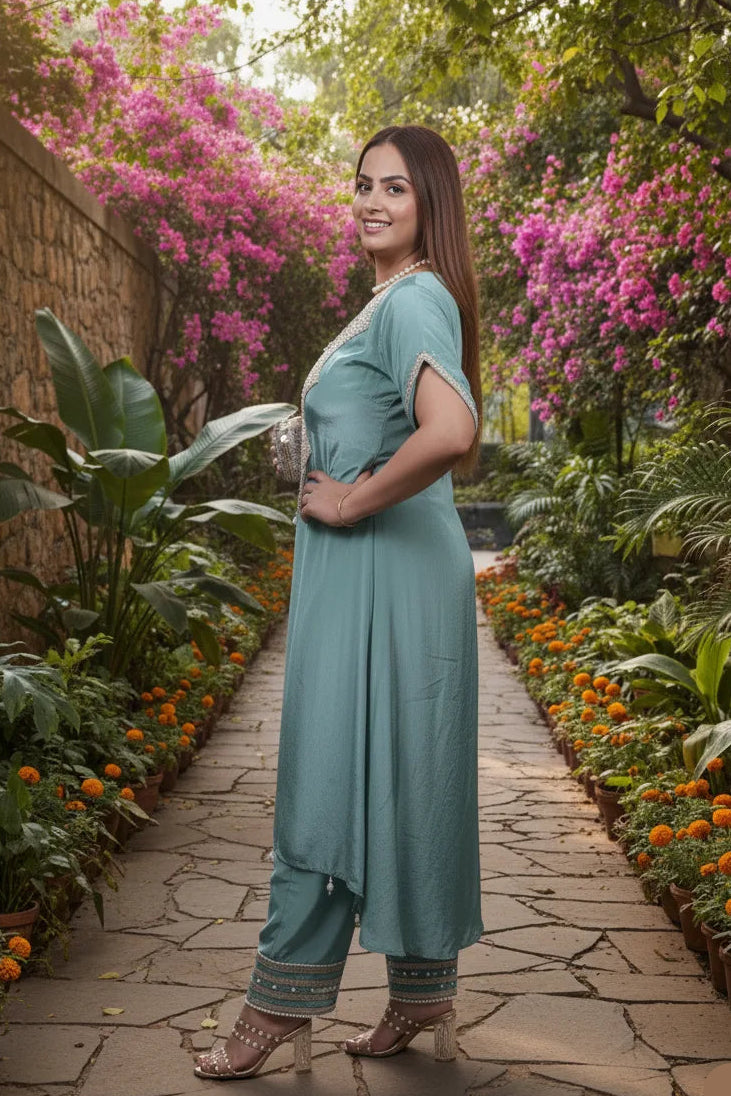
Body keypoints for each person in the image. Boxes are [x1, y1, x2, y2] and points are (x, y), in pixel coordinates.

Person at [194, 123, 484, 1082]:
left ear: (427, 203)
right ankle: (420, 990)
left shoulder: (414, 298)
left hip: (383, 573)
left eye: (395, 189)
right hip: (385, 574)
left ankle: (277, 1004)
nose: (370, 201)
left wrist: (351, 499)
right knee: (400, 769)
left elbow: (452, 429)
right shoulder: (396, 303)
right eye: (362, 184)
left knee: (329, 770)